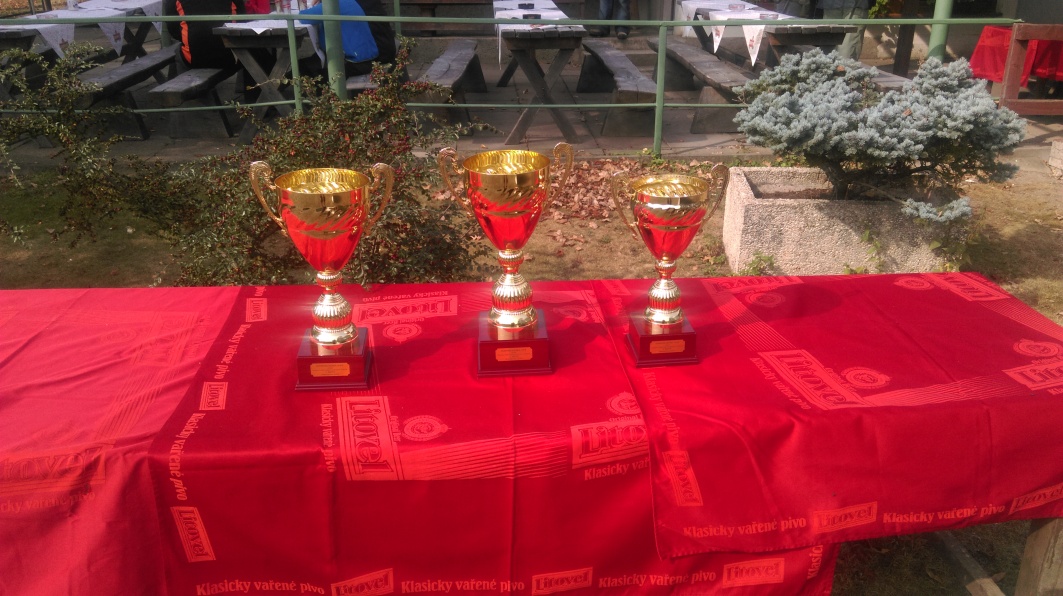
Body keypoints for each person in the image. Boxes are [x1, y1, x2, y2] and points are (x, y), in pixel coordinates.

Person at [299, 0, 395, 77]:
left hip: (361, 62)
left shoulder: (336, 4)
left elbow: (303, 17)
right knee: (306, 66)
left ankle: (317, 93)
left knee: (314, 73)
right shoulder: (350, 2)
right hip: (370, 55)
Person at [164, 0, 247, 69]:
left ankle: (178, 83)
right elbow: (242, 21)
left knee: (178, 52)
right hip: (230, 55)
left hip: (194, 57)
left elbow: (172, 28)